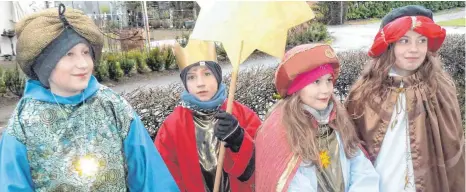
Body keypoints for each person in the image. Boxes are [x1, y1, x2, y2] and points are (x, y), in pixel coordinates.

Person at [0, 5, 178, 191]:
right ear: (44, 64)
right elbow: (12, 185)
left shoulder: (112, 105)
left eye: (86, 52)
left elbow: (149, 174)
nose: (83, 64)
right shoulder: (25, 121)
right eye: (69, 54)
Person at [345, 5, 464, 192]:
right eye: (404, 41)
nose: (414, 49)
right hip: (381, 184)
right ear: (389, 44)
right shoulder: (365, 92)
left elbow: (453, 147)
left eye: (421, 40)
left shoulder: (440, 88)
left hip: (430, 183)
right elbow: (352, 149)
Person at [255, 43, 380, 191]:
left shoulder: (337, 118)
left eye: (329, 80)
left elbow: (359, 166)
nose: (326, 90)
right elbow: (291, 185)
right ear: (297, 87)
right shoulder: (281, 129)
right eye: (316, 82)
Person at [155, 40, 260, 192]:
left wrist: (239, 139)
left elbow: (263, 165)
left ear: (217, 77)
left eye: (207, 74)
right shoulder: (171, 128)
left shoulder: (243, 116)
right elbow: (164, 179)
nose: (200, 83)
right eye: (191, 77)